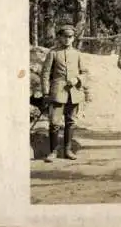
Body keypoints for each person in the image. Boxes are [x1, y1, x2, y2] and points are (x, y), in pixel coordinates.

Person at [41, 24, 89, 162]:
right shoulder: (53, 53)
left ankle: (67, 150)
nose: (67, 39)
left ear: (73, 38)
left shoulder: (78, 54)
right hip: (57, 92)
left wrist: (76, 79)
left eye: (70, 37)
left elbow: (85, 73)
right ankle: (53, 151)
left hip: (74, 93)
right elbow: (45, 74)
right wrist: (46, 93)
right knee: (54, 122)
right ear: (60, 37)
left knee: (71, 122)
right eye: (65, 36)